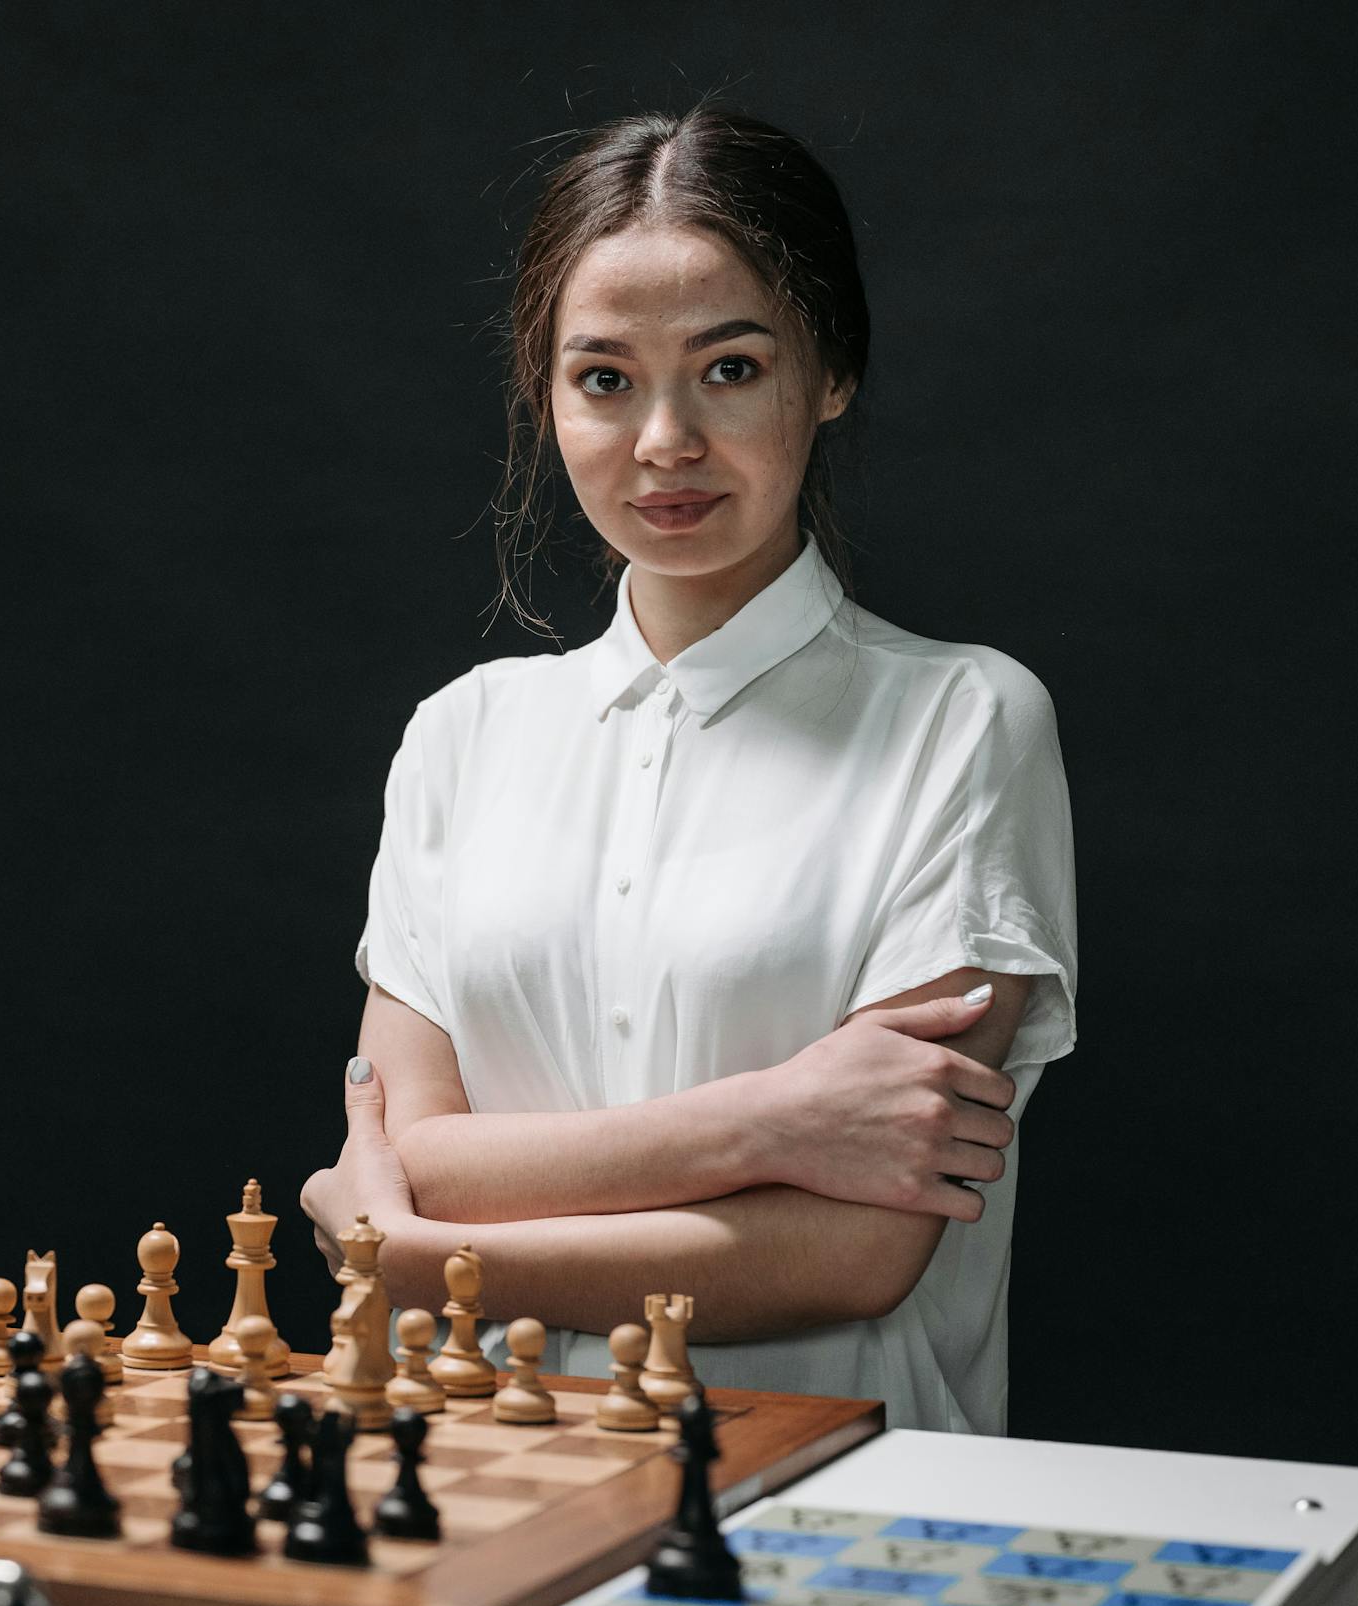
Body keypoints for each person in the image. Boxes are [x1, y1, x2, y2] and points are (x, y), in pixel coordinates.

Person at [300, 103, 1077, 1435]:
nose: (664, 440)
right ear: (545, 396)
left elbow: (857, 1249)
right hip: (480, 1474)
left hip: (835, 1502)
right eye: (603, 377)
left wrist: (428, 1259)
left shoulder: (965, 719)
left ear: (829, 370)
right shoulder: (462, 736)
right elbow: (416, 1148)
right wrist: (778, 1119)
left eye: (727, 368)